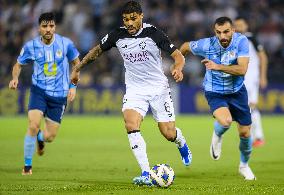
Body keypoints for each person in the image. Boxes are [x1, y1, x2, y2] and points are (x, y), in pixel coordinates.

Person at [71, 1, 192, 186]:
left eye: (133, 19)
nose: (129, 23)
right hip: (135, 90)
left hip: (158, 89)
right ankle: (145, 173)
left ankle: (181, 142)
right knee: (131, 124)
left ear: (141, 17)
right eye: (126, 19)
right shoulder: (117, 35)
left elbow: (178, 55)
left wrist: (178, 68)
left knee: (168, 133)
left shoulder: (154, 33)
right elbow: (97, 51)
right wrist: (78, 68)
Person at [180, 17, 256, 180]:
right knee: (226, 121)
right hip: (215, 90)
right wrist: (178, 65)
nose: (222, 36)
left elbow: (242, 69)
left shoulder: (241, 42)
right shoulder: (206, 44)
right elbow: (185, 46)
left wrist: (217, 66)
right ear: (215, 32)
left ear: (233, 31)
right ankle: (217, 135)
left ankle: (244, 166)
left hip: (237, 91)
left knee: (245, 133)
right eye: (219, 32)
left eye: (226, 32)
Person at [8, 12, 80, 175]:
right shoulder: (31, 46)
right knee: (32, 125)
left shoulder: (66, 44)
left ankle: (40, 138)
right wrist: (14, 79)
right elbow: (18, 65)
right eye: (44, 26)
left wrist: (73, 86)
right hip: (38, 91)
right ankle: (27, 166)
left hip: (59, 95)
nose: (48, 29)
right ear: (39, 28)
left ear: (55, 27)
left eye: (51, 26)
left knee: (50, 137)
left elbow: (76, 64)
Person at [234, 16, 268, 147]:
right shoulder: (234, 41)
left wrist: (263, 76)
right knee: (247, 108)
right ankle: (254, 137)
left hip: (251, 78)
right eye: (236, 25)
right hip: (240, 78)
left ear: (246, 25)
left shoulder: (251, 38)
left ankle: (257, 136)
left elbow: (263, 58)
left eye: (241, 24)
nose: (238, 27)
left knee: (250, 107)